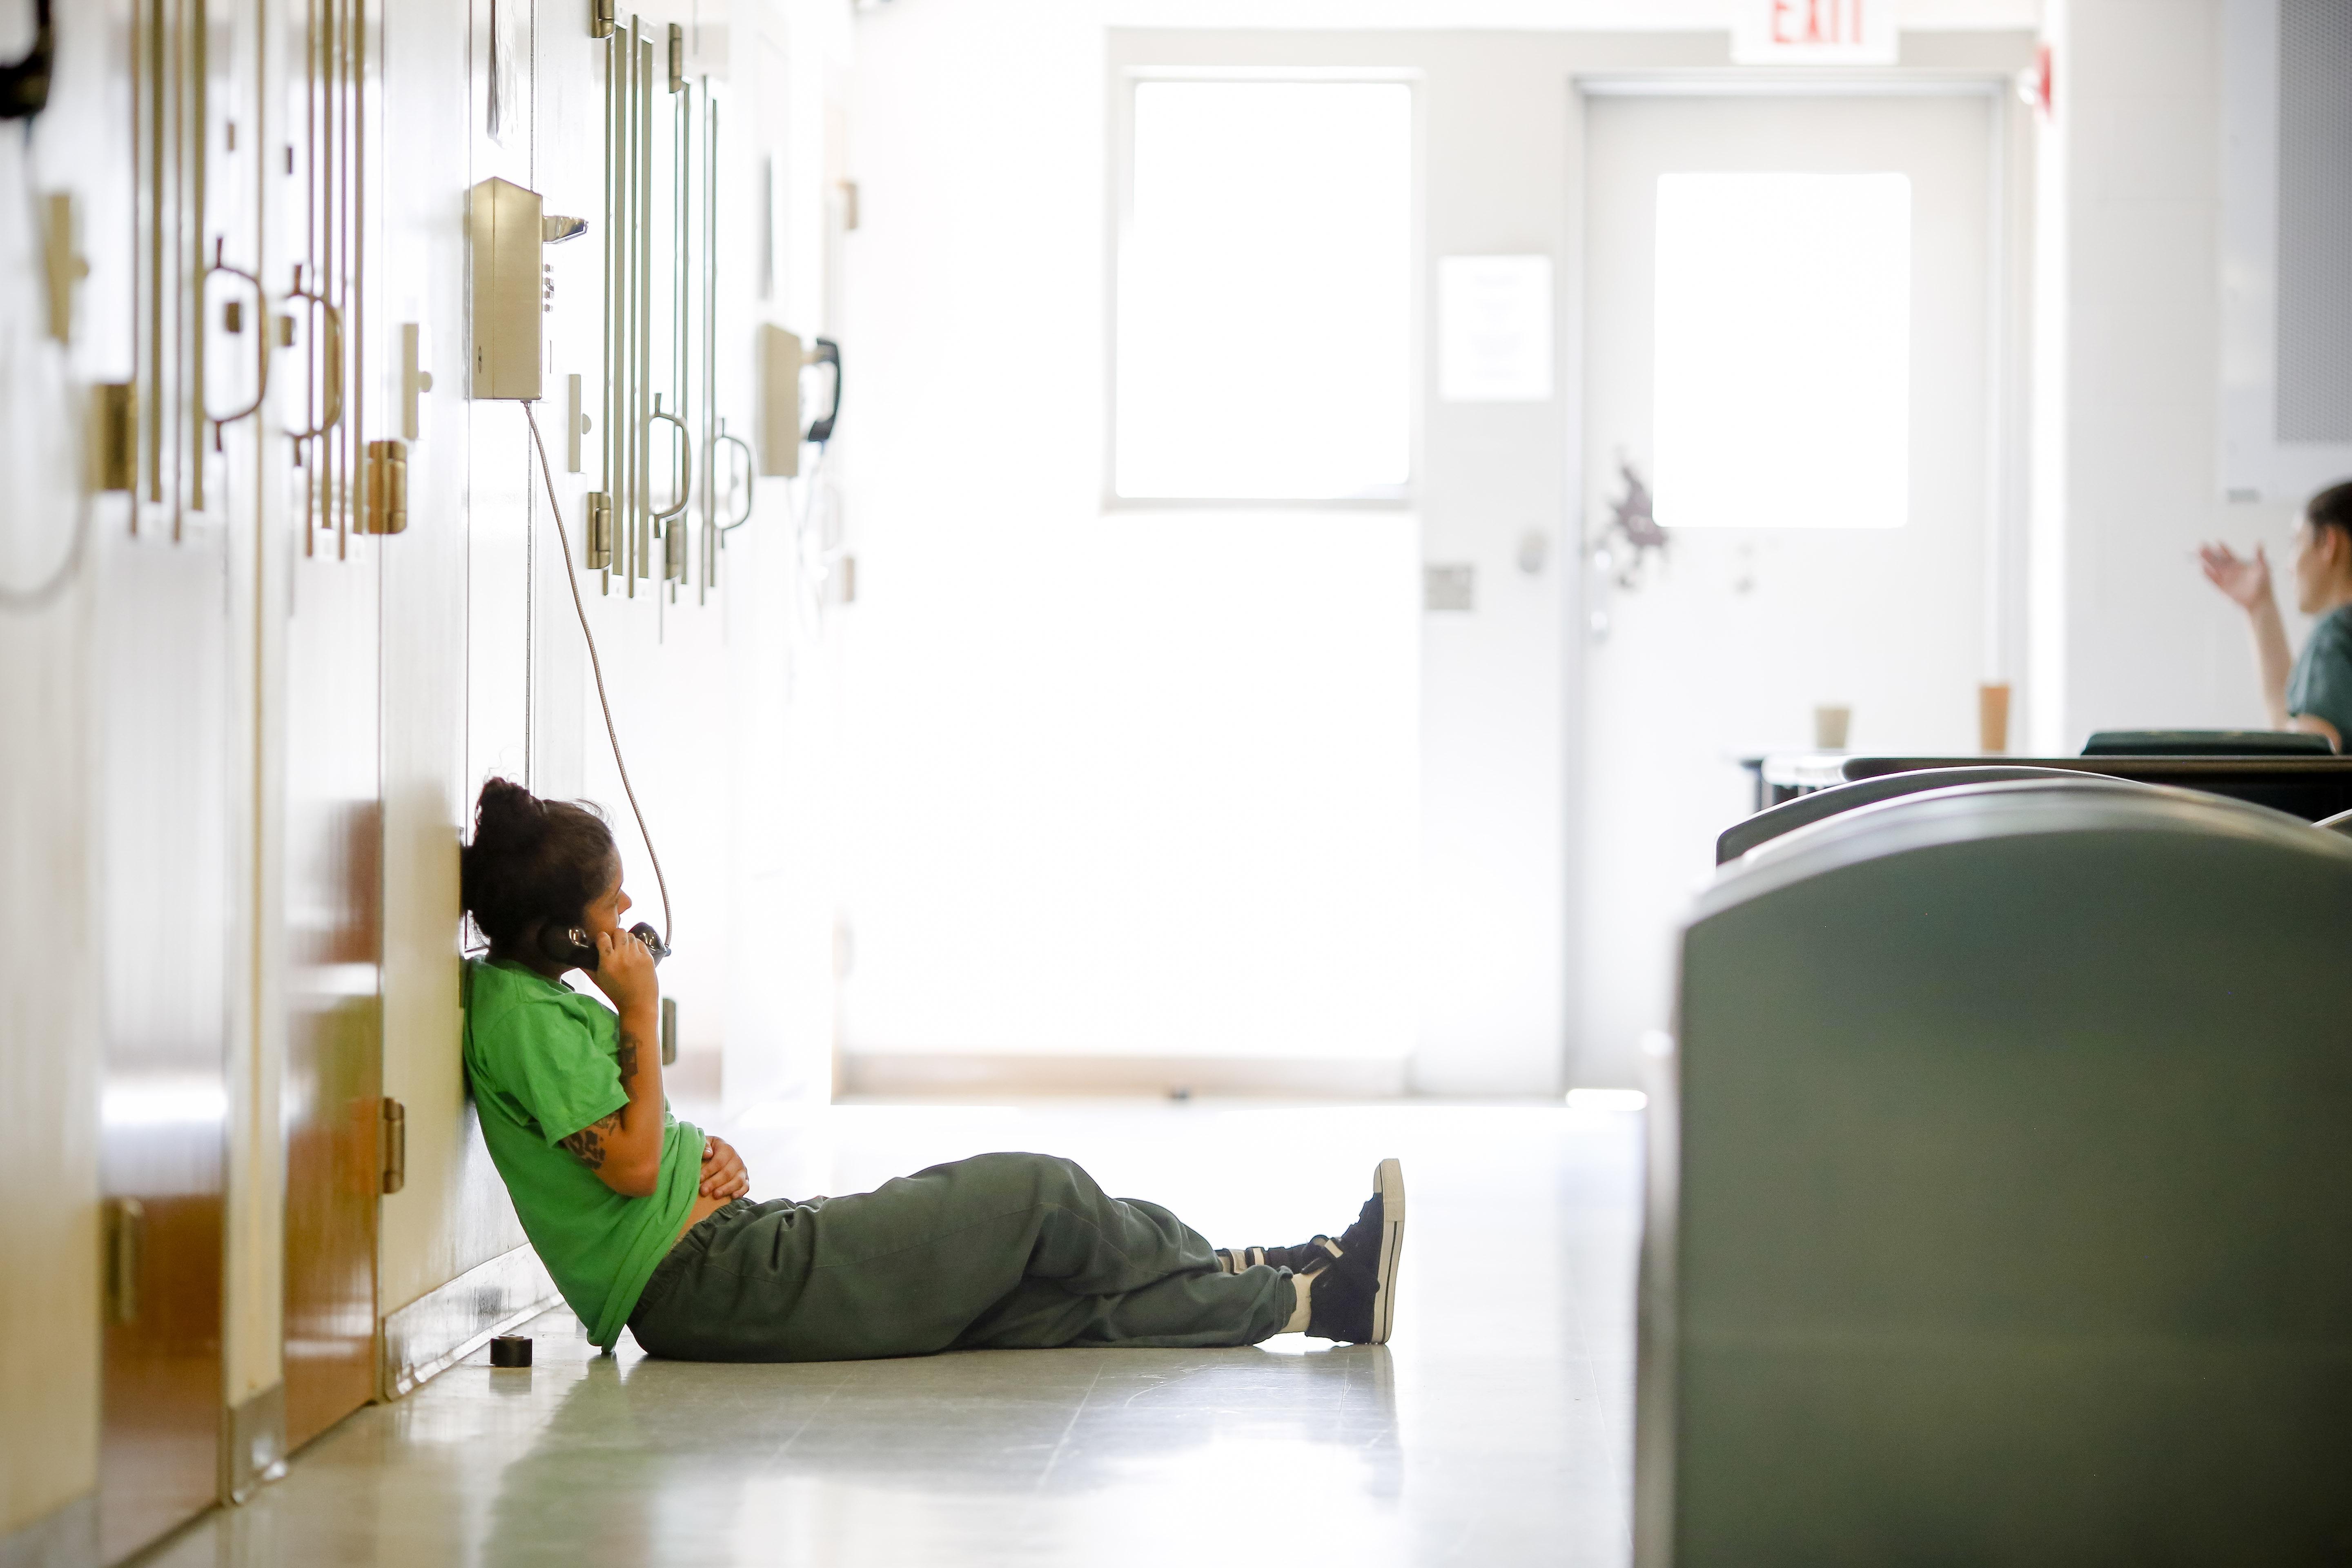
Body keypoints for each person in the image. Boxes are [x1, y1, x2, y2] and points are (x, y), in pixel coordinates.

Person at [457, 777, 1405, 1361]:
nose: (627, 904)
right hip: (711, 1283)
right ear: (564, 929)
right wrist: (635, 1009)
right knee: (1038, 1193)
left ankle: (1306, 1295)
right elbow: (623, 1169)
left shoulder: (542, 1004)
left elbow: (632, 1146)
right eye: (608, 896)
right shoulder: (520, 1016)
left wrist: (700, 1153)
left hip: (729, 1255)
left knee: (1040, 1298)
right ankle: (1251, 1266)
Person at [2200, 481, 2352, 750]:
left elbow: (2307, 756)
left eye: (2295, 543)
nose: (2289, 566)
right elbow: (2294, 723)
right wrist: (2259, 605)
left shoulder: (2335, 634)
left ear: (2329, 543)